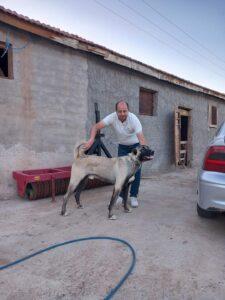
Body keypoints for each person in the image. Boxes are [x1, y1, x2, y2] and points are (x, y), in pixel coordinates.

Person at [84, 100, 148, 208]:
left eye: (125, 111)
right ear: (116, 112)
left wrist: (144, 153)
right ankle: (121, 196)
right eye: (120, 111)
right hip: (122, 146)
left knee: (135, 172)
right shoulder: (112, 117)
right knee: (121, 173)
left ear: (128, 111)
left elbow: (141, 138)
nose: (122, 113)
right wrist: (91, 140)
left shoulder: (134, 120)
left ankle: (133, 196)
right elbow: (96, 127)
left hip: (135, 146)